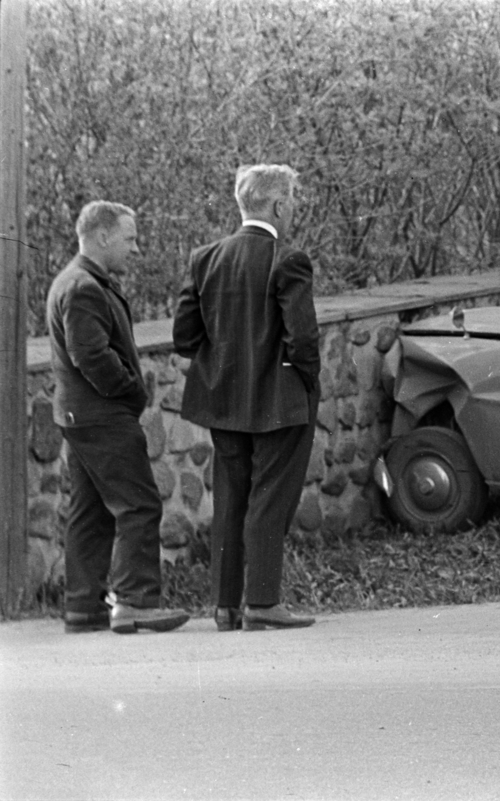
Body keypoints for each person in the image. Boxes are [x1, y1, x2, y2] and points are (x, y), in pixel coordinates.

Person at [173, 164, 320, 632]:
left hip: (224, 402)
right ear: (278, 205)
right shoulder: (288, 259)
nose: (293, 209)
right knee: (269, 500)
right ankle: (262, 601)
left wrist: (223, 364)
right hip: (279, 402)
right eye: (291, 200)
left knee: (231, 500)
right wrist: (307, 383)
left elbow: (183, 336)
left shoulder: (205, 258)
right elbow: (303, 341)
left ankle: (225, 606)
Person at [46, 201, 190, 634]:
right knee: (138, 503)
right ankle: (135, 601)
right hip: (102, 415)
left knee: (90, 512)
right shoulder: (85, 286)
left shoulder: (76, 281)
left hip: (81, 416)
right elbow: (89, 353)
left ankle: (84, 607)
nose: (136, 247)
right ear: (103, 236)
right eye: (129, 238)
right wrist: (131, 390)